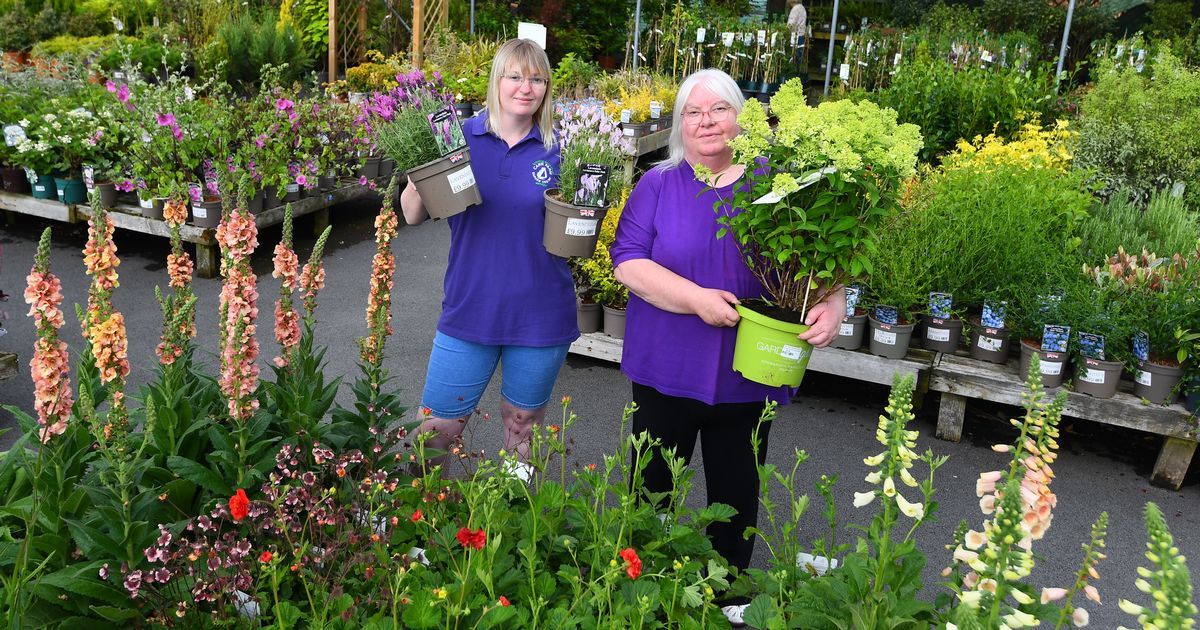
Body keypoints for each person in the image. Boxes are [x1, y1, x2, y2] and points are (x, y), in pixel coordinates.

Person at [609, 68, 845, 624]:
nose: (706, 121)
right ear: (679, 125)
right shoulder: (660, 184)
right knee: (651, 492)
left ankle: (726, 599)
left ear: (743, 116)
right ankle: (645, 594)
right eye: (693, 112)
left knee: (737, 496)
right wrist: (694, 299)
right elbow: (629, 263)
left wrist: (833, 304)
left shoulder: (778, 185)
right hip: (666, 368)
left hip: (749, 374)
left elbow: (824, 259)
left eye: (719, 109)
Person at [400, 39, 576, 479]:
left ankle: (514, 528)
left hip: (541, 314)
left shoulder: (563, 148)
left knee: (522, 426)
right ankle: (413, 531)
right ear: (495, 81)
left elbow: (582, 223)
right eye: (515, 76)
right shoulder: (456, 137)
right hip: (470, 307)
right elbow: (412, 214)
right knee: (437, 429)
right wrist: (420, 170)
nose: (525, 87)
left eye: (537, 78)